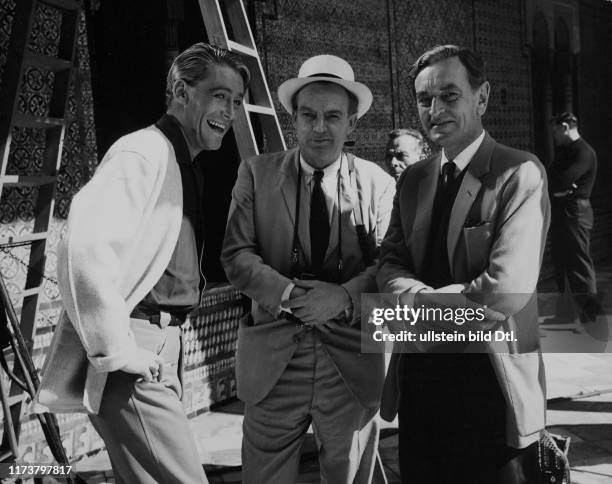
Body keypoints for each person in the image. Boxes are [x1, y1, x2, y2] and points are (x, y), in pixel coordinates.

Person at [33, 43, 249, 484]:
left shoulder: (182, 160)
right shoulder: (144, 152)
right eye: (218, 96)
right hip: (137, 345)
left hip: (161, 344)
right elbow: (84, 248)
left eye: (237, 101)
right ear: (180, 92)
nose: (229, 112)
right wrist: (118, 349)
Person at [377, 45, 550, 483]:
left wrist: (415, 308)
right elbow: (390, 264)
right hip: (420, 388)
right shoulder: (414, 179)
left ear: (482, 97)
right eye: (424, 99)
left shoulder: (517, 174)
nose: (434, 110)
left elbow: (502, 291)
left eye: (449, 96)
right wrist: (416, 296)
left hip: (490, 388)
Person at [221, 54, 395, 484]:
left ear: (352, 124)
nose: (320, 128)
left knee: (350, 475)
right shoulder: (255, 175)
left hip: (351, 364)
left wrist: (340, 298)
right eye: (309, 115)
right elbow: (236, 256)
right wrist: (292, 297)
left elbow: (389, 267)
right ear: (293, 119)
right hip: (273, 364)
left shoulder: (379, 184)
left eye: (333, 116)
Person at [549, 112, 600, 323]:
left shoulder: (584, 152)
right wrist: (561, 189)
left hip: (576, 212)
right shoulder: (566, 151)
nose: (553, 136)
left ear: (564, 127)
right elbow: (553, 180)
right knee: (560, 262)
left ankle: (590, 312)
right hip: (562, 211)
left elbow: (562, 180)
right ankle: (566, 314)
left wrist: (563, 188)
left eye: (555, 132)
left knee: (579, 262)